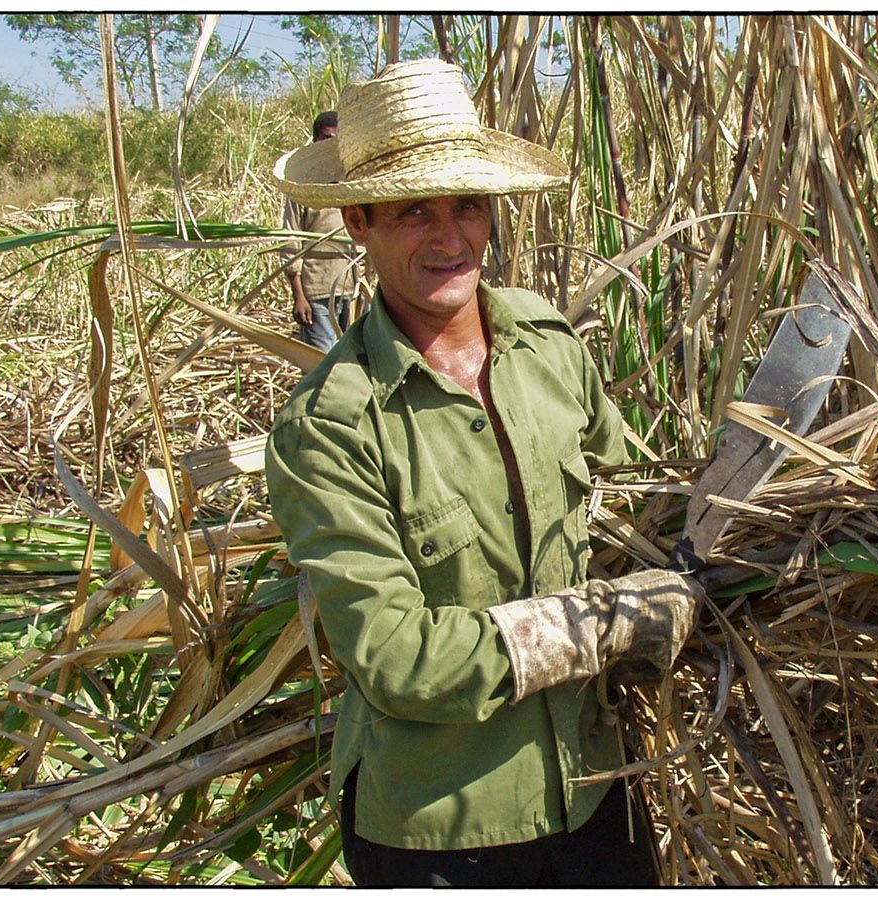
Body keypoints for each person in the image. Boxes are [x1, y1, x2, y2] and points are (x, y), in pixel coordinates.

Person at [264, 59, 704, 887]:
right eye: (411, 211)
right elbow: (397, 659)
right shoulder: (331, 425)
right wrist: (607, 624)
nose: (449, 236)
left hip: (594, 786)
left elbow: (630, 503)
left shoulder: (548, 347)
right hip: (442, 826)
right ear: (357, 222)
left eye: (467, 202)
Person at [281, 110, 364, 352]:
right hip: (316, 290)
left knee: (351, 365)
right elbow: (290, 241)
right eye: (326, 138)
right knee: (321, 362)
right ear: (316, 142)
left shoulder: (352, 186)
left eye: (337, 139)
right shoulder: (302, 189)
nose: (332, 145)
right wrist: (299, 296)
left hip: (351, 288)